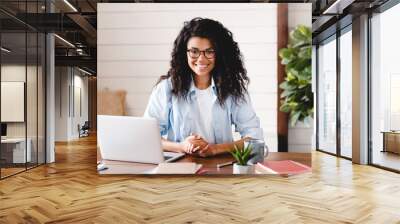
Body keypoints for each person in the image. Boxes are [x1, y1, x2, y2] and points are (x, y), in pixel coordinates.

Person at [144, 17, 263, 157]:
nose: (201, 59)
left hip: (221, 166)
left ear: (220, 54)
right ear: (185, 53)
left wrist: (215, 149)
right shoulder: (166, 89)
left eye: (209, 51)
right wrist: (181, 147)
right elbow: (147, 137)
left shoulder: (233, 89)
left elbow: (255, 139)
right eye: (194, 51)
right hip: (179, 167)